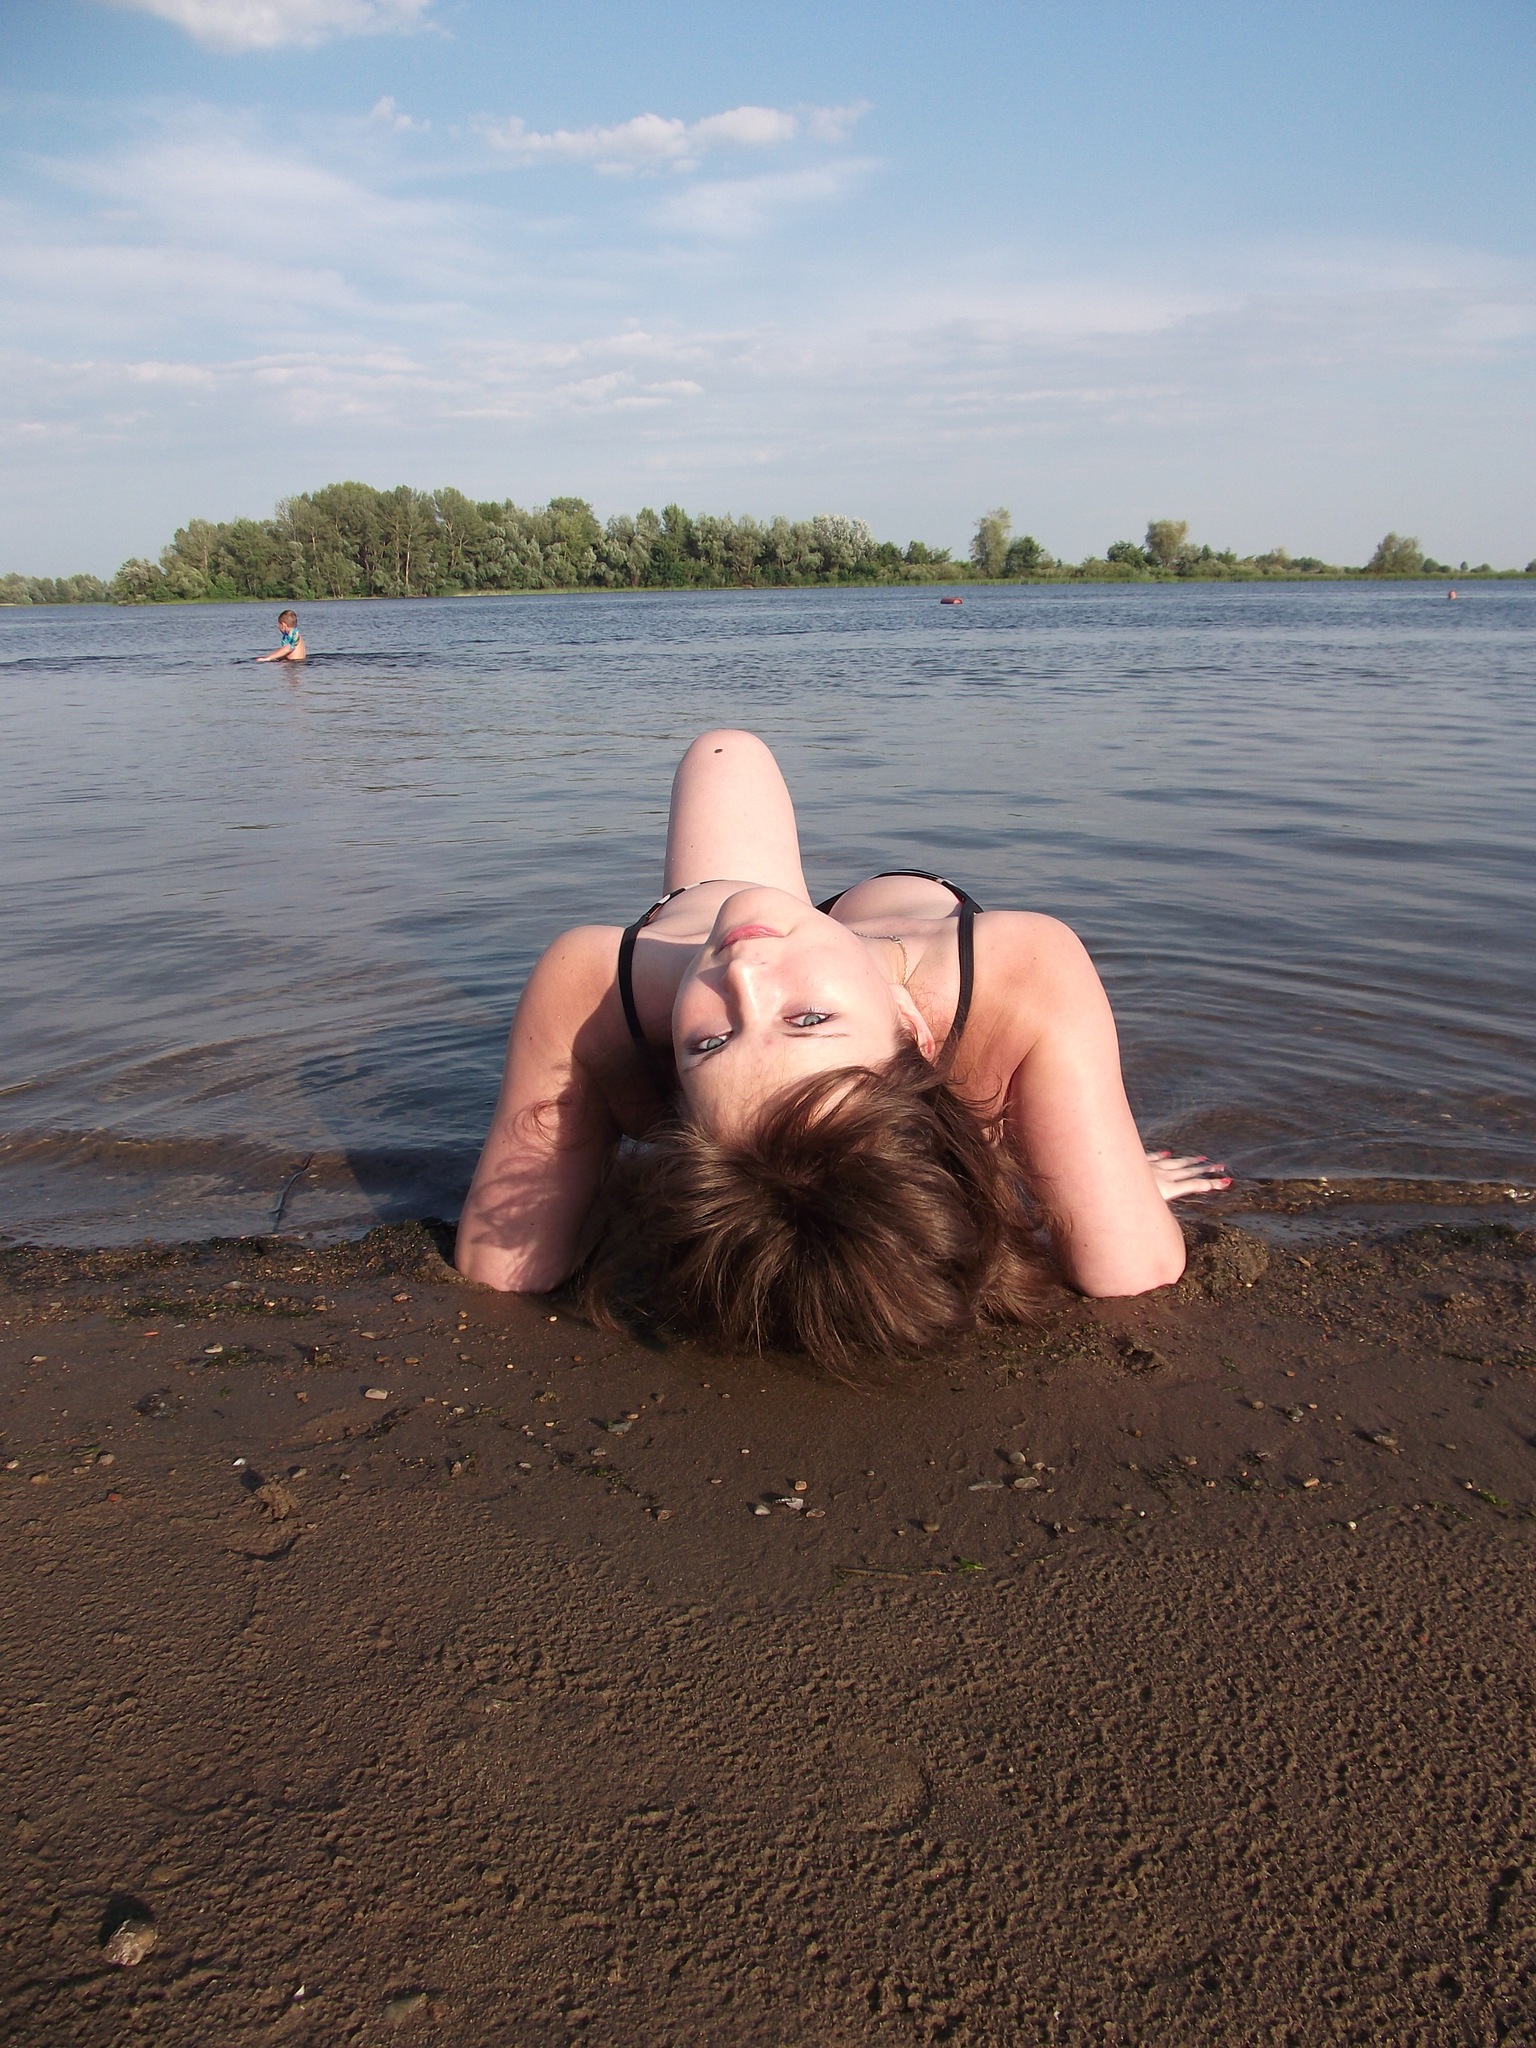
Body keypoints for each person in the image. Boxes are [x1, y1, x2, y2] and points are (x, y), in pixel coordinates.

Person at [456, 729, 1229, 1356]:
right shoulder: (1015, 968)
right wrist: (1092, 1193)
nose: (744, 974)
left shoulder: (602, 986)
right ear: (910, 1025)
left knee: (726, 751)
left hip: (705, 915)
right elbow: (1134, 1268)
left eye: (711, 1042)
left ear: (674, 1101)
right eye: (808, 1020)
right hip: (906, 928)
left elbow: (504, 1265)